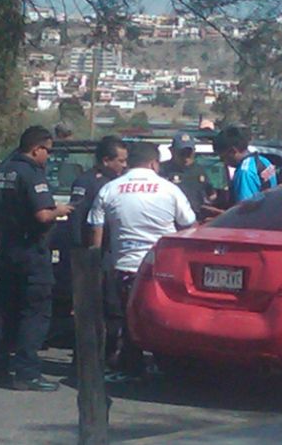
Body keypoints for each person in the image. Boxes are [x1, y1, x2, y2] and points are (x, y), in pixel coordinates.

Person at [88, 142, 197, 382]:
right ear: (154, 163)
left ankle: (130, 364)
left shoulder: (110, 189)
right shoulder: (169, 189)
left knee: (127, 318)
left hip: (123, 265)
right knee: (160, 317)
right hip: (160, 267)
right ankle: (163, 363)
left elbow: (96, 232)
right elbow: (189, 224)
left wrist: (96, 267)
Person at [0, 125, 74, 391]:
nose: (48, 155)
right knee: (36, 313)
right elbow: (41, 215)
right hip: (31, 251)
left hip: (8, 249)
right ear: (36, 149)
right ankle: (27, 372)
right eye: (47, 150)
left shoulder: (1, 171)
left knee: (6, 311)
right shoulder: (31, 173)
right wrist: (60, 210)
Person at [66, 136, 128, 371]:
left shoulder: (118, 183)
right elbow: (77, 223)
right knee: (92, 311)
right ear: (105, 160)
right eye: (120, 160)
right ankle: (85, 360)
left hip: (112, 254)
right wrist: (83, 258)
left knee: (113, 311)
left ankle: (110, 356)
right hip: (92, 257)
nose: (124, 165)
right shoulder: (88, 182)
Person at [159, 132, 219, 221]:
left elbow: (211, 194)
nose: (186, 157)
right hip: (171, 220)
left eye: (189, 153)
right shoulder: (162, 171)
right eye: (181, 153)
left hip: (197, 219)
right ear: (172, 151)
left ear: (194, 151)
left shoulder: (200, 170)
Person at [213, 125, 278, 205]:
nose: (224, 162)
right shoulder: (264, 161)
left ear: (233, 151)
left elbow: (244, 210)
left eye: (223, 158)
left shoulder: (244, 173)